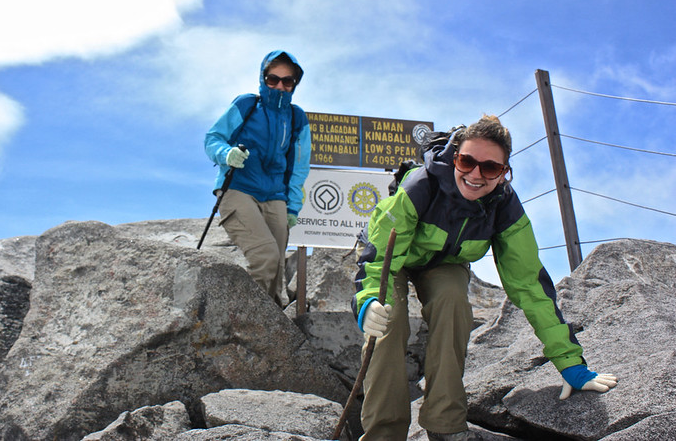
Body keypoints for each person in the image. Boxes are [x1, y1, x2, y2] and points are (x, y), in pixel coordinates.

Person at [351, 115, 617, 441]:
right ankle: (383, 434)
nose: (476, 174)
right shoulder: (420, 186)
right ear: (455, 158)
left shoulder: (505, 208)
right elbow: (380, 254)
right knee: (387, 322)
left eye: (490, 168)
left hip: (446, 263)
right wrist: (367, 302)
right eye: (467, 161)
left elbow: (530, 285)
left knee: (453, 305)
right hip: (393, 257)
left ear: (504, 174)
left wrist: (569, 362)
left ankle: (445, 424)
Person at [204, 50, 311, 305]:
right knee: (265, 256)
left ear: (294, 84)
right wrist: (226, 153)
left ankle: (268, 332)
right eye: (273, 79)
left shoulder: (297, 117)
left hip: (275, 195)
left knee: (274, 272)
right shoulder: (247, 104)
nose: (280, 86)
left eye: (287, 81)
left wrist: (292, 206)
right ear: (263, 78)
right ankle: (245, 326)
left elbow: (298, 166)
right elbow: (213, 138)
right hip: (238, 189)